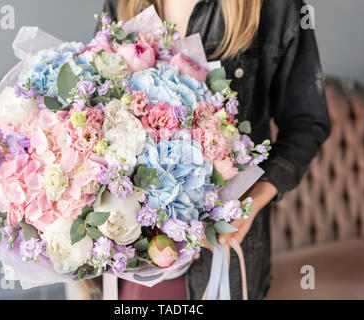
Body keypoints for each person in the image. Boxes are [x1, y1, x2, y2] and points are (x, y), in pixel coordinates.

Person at [78, 0, 331, 300]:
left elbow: (307, 122)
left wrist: (250, 204)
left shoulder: (276, 8)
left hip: (221, 252)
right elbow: (92, 104)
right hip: (135, 254)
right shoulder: (123, 4)